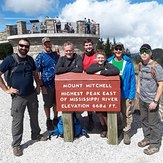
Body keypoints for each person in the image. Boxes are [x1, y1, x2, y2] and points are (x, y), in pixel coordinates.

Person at [0, 38, 47, 157]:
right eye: (22, 46)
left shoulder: (30, 59)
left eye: (26, 46)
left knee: (34, 116)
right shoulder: (9, 60)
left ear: (28, 48)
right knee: (17, 121)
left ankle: (36, 134)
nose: (24, 48)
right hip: (18, 96)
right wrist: (6, 89)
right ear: (17, 46)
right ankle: (16, 144)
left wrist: (38, 86)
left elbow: (35, 73)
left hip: (31, 94)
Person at [86, 50, 120, 137]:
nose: (100, 59)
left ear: (105, 58)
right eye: (99, 58)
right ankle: (103, 127)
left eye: (102, 58)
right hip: (96, 92)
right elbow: (89, 70)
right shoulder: (93, 65)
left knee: (105, 113)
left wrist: (102, 72)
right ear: (96, 58)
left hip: (106, 93)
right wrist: (101, 68)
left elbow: (116, 71)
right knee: (99, 112)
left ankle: (109, 128)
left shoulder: (108, 65)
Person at [107, 42, 136, 145]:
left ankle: (126, 132)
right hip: (113, 94)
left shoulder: (128, 63)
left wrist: (131, 95)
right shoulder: (109, 62)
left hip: (126, 93)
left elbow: (132, 79)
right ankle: (119, 128)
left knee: (126, 113)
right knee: (115, 112)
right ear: (114, 50)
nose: (118, 51)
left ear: (123, 50)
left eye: (120, 49)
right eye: (116, 49)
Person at [137, 44, 163, 155]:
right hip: (142, 99)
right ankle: (147, 138)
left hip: (152, 101)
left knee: (154, 123)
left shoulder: (156, 66)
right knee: (144, 121)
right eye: (142, 51)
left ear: (150, 53)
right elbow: (139, 76)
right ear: (139, 53)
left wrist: (155, 101)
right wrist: (138, 86)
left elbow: (161, 84)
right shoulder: (141, 65)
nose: (144, 53)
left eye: (146, 51)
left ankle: (155, 144)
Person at [35, 37, 59, 131]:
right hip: (46, 84)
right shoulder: (40, 56)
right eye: (46, 44)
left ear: (51, 44)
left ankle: (56, 117)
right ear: (43, 45)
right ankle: (48, 119)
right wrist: (41, 86)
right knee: (47, 103)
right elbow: (37, 73)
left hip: (56, 83)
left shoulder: (55, 55)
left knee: (56, 103)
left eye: (49, 43)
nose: (48, 45)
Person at [82, 39, 97, 131]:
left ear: (93, 45)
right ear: (84, 46)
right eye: (86, 45)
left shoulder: (96, 55)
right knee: (89, 101)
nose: (88, 47)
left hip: (97, 81)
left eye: (90, 45)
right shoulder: (82, 56)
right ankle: (90, 118)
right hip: (87, 81)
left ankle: (101, 119)